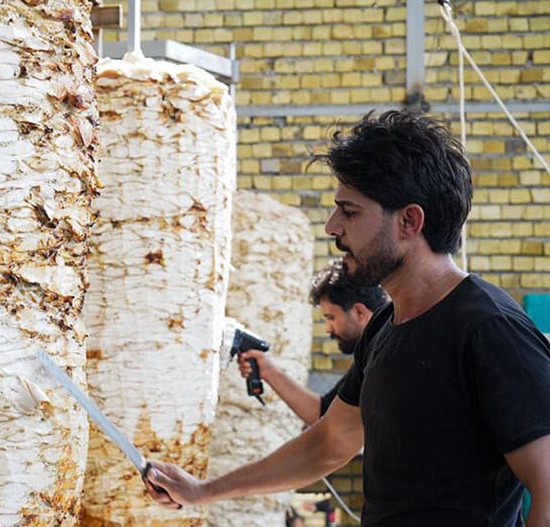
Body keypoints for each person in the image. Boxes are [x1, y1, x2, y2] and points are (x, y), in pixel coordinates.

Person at [144, 111, 550, 526]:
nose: (331, 227)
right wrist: (202, 491)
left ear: (409, 221)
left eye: (350, 212)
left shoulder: (489, 328)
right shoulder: (383, 329)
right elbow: (327, 443)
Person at [238, 259, 388, 426]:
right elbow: (324, 413)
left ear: (359, 312)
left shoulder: (385, 359)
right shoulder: (371, 354)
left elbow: (334, 428)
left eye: (331, 318)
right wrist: (267, 370)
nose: (327, 329)